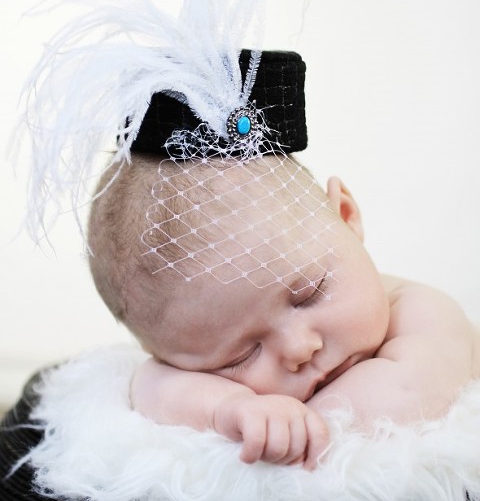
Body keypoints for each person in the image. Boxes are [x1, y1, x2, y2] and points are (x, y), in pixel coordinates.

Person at [87, 151, 480, 471]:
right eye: (241, 355)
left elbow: (407, 393)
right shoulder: (182, 364)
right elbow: (151, 386)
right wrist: (230, 409)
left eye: (310, 294)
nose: (299, 349)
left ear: (346, 216)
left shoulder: (423, 311)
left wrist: (301, 425)